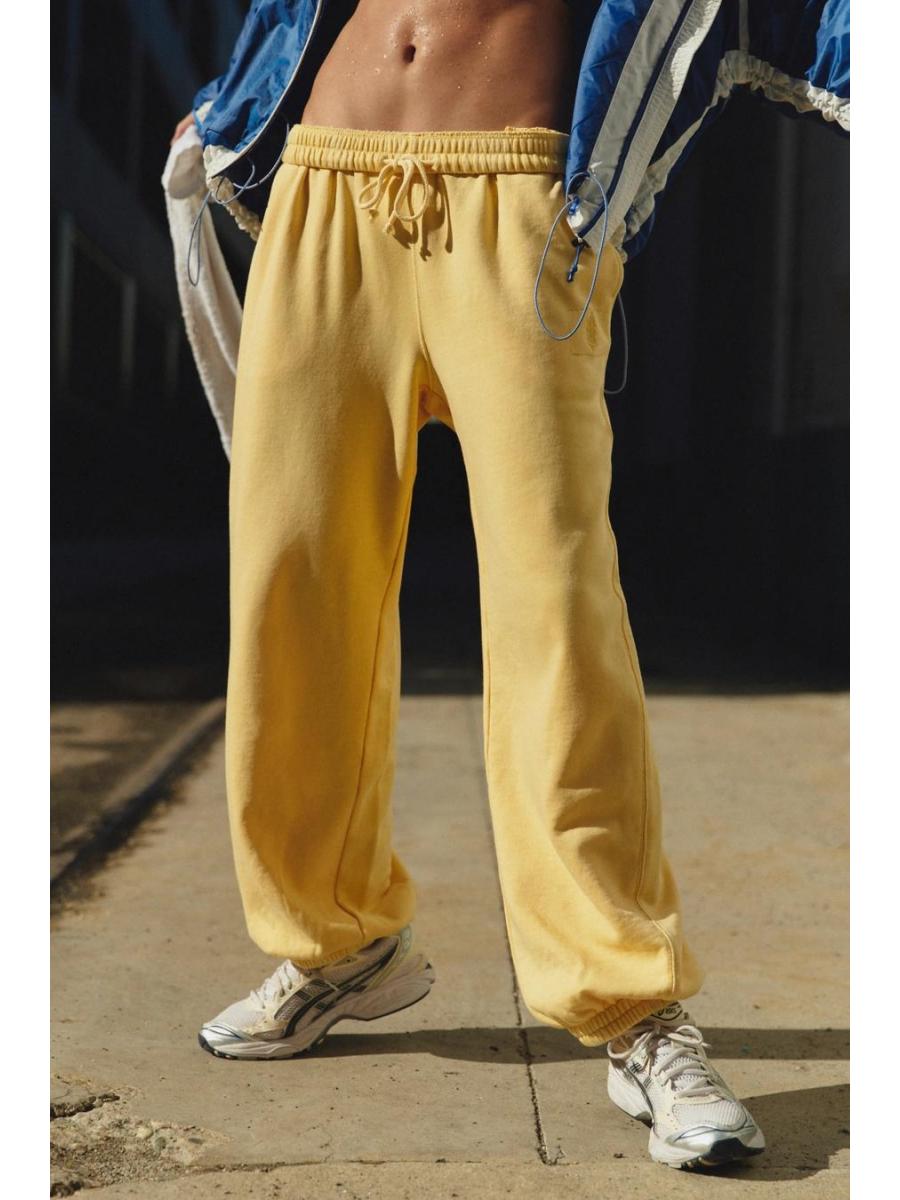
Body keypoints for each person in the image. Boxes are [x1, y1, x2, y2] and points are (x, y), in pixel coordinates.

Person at [169, 0, 848, 1172]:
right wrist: (231, 106)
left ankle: (631, 1004)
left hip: (520, 200)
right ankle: (338, 942)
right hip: (324, 186)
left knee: (557, 614)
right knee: (292, 592)